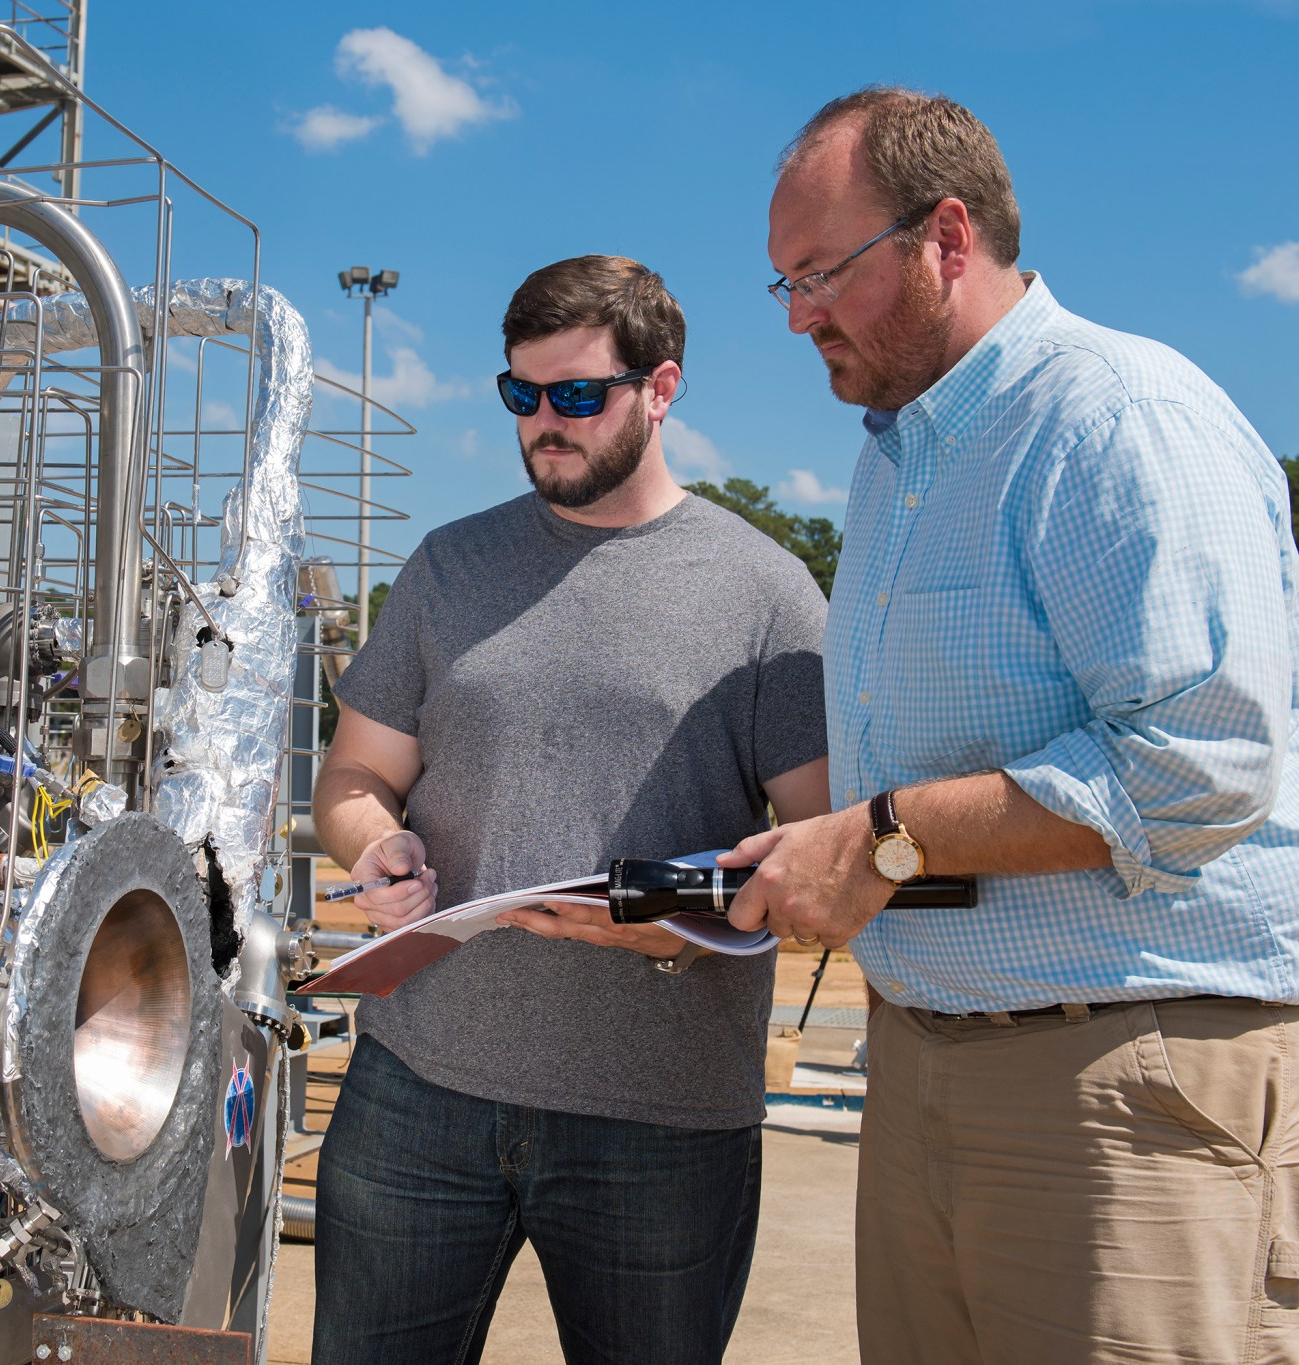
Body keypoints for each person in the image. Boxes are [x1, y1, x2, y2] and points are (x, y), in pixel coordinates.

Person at [727, 88, 1299, 1364]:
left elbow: (1197, 763)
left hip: (1144, 1082)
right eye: (781, 286)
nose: (798, 316)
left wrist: (877, 840)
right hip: (932, 1066)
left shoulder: (1113, 418)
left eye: (820, 274)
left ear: (947, 238)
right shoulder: (895, 460)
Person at [309, 255, 830, 1365]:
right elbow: (352, 780)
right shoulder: (450, 565)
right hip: (416, 1091)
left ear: (662, 389)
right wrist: (376, 843)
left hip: (659, 1124)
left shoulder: (767, 595)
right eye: (521, 395)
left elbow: (821, 857)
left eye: (578, 396)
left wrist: (666, 912)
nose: (545, 423)